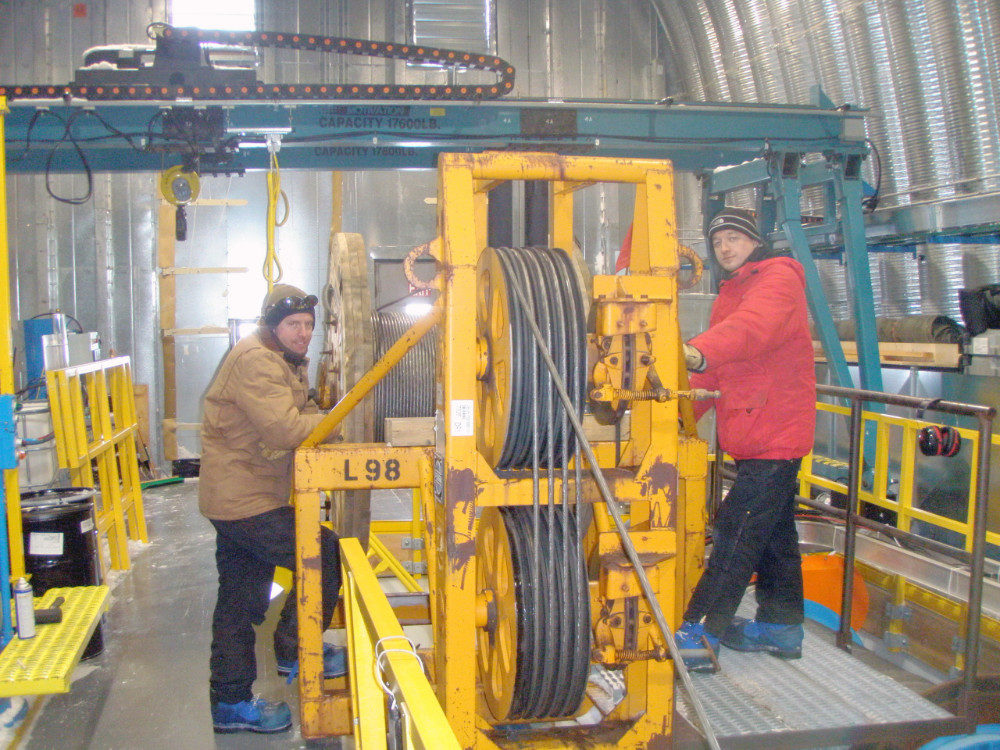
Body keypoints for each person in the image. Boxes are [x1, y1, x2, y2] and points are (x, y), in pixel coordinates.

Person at [199, 283, 346, 733]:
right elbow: (284, 429)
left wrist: (320, 410)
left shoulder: (280, 359)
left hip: (240, 498)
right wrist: (341, 419)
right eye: (293, 325)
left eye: (307, 325)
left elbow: (295, 410)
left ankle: (229, 702)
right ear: (272, 326)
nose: (303, 333)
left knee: (239, 601)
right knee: (323, 552)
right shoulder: (257, 361)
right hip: (246, 502)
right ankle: (294, 649)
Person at [675, 207, 816, 673]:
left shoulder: (777, 280)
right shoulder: (733, 291)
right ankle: (781, 628)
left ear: (756, 242)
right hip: (756, 433)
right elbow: (715, 368)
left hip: (776, 434)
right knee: (773, 534)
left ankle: (699, 636)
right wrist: (676, 415)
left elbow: (748, 332)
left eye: (734, 238)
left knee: (736, 532)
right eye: (718, 242)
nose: (726, 248)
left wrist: (697, 352)